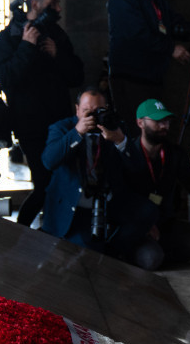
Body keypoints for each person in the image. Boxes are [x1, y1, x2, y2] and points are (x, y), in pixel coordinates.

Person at [0, 0, 85, 226]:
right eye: (52, 3)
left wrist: (58, 55)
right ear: (35, 4)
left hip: (61, 123)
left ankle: (56, 231)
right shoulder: (7, 39)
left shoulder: (57, 35)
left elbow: (76, 76)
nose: (58, 8)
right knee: (44, 183)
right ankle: (24, 233)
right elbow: (7, 77)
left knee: (64, 180)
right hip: (30, 127)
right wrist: (26, 47)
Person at [40, 88, 154, 260]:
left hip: (107, 201)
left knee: (148, 211)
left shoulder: (115, 126)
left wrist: (120, 140)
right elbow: (49, 161)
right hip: (76, 206)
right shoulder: (63, 128)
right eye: (86, 111)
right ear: (77, 110)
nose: (92, 117)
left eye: (98, 111)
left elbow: (138, 166)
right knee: (88, 253)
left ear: (106, 109)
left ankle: (114, 249)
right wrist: (77, 133)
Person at [122, 99, 190, 269]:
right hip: (138, 226)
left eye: (166, 121)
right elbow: (120, 198)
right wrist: (143, 225)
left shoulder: (173, 152)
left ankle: (160, 253)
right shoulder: (127, 152)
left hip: (165, 223)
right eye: (158, 121)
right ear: (140, 123)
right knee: (151, 259)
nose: (164, 126)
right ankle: (146, 254)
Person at [106, 0, 190, 118]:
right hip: (132, 77)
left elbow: (174, 23)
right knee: (139, 129)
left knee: (155, 126)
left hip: (152, 77)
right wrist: (171, 48)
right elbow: (136, 34)